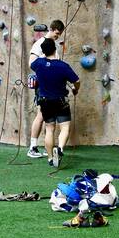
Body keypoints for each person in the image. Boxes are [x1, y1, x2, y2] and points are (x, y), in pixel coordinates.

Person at [29, 37, 78, 169]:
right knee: (65, 127)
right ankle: (60, 148)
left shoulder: (38, 64)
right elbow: (76, 81)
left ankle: (51, 158)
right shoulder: (63, 66)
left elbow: (31, 62)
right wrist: (75, 89)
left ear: (43, 52)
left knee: (49, 129)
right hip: (61, 100)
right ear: (55, 50)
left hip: (45, 101)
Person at [27, 19, 65, 158]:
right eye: (57, 33)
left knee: (47, 117)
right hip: (43, 84)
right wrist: (47, 69)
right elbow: (32, 63)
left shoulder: (53, 46)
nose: (58, 36)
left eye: (59, 34)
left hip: (52, 85)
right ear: (52, 29)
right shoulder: (40, 44)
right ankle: (32, 148)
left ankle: (42, 147)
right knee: (41, 116)